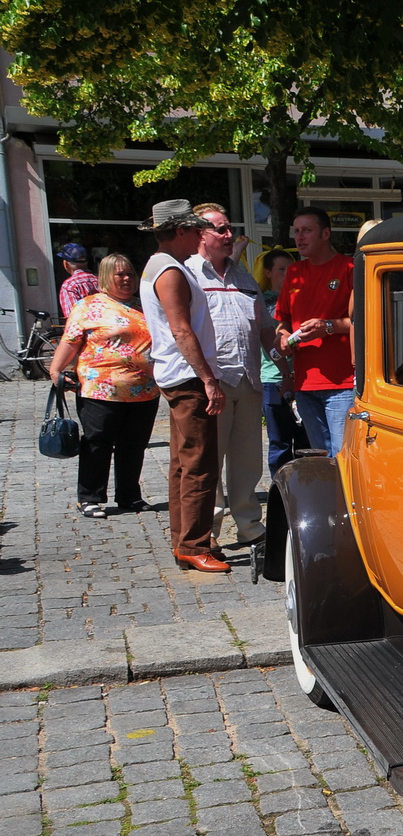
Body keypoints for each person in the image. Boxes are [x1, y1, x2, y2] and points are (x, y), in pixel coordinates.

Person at [140, 199, 229, 573]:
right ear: (179, 231)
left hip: (177, 375)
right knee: (199, 464)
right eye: (195, 229)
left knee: (182, 463)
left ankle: (186, 541)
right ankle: (194, 544)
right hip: (187, 377)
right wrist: (208, 379)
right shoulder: (170, 270)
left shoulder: (160, 265)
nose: (200, 234)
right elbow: (180, 329)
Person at [46, 254, 158, 517]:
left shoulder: (144, 307)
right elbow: (70, 340)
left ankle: (129, 496)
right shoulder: (89, 306)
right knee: (98, 443)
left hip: (143, 389)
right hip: (101, 389)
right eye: (120, 274)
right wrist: (56, 370)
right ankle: (90, 497)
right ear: (106, 277)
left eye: (130, 273)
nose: (127, 279)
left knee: (134, 445)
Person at [190, 202, 267, 547]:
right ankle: (209, 532)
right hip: (211, 384)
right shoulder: (187, 275)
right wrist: (203, 381)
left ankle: (250, 527)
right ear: (199, 235)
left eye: (228, 227)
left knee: (247, 461)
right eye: (219, 229)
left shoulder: (244, 277)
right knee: (209, 462)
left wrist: (282, 355)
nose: (228, 235)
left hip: (248, 381)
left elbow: (264, 326)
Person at [274, 206, 355, 454]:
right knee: (320, 456)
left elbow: (365, 322)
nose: (299, 237)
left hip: (342, 382)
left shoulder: (349, 269)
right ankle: (330, 495)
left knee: (342, 456)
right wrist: (283, 336)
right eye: (297, 231)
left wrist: (328, 327)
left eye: (307, 231)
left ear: (325, 233)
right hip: (305, 382)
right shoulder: (295, 273)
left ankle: (346, 495)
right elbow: (282, 320)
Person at [258, 249, 307, 473]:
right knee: (280, 441)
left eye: (291, 269)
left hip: (304, 378)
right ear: (268, 272)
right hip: (274, 378)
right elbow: (273, 340)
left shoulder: (302, 298)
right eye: (281, 269)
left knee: (305, 440)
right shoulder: (265, 301)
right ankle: (281, 488)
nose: (288, 274)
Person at [56, 243, 99, 320]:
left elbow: (73, 317)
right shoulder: (99, 280)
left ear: (65, 264)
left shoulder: (69, 285)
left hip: (84, 329)